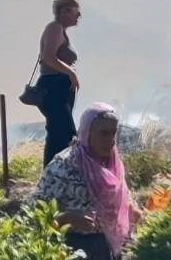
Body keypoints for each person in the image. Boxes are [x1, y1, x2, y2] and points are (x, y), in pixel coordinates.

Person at [32, 103, 141, 260]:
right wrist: (67, 218)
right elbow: (34, 216)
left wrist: (135, 214)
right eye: (103, 133)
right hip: (72, 248)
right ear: (87, 133)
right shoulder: (64, 166)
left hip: (110, 247)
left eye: (113, 133)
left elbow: (125, 206)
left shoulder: (112, 165)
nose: (110, 141)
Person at [37, 0, 81, 167]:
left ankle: (56, 175)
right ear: (64, 11)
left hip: (60, 88)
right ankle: (54, 176)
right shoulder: (54, 28)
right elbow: (47, 57)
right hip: (53, 87)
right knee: (64, 134)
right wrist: (72, 73)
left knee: (59, 134)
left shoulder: (59, 29)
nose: (79, 16)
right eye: (76, 12)